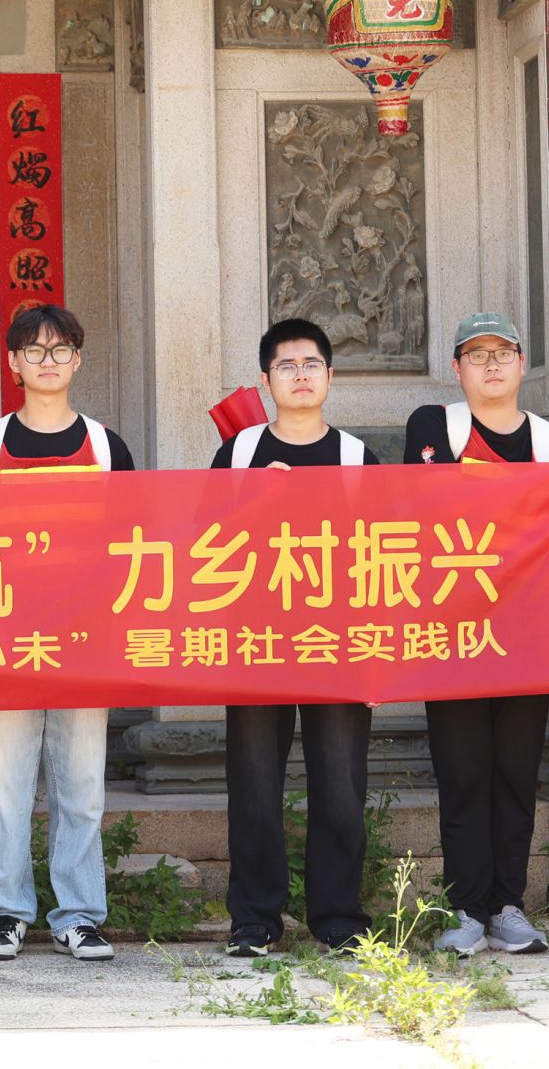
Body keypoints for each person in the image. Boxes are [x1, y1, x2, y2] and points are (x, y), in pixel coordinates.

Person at [404, 312, 549, 957]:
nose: (491, 365)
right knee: (462, 773)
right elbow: (428, 500)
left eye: (502, 353)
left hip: (525, 637)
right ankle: (466, 909)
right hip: (452, 634)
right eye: (476, 355)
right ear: (457, 368)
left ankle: (509, 906)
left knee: (515, 772)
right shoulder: (435, 425)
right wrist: (537, 482)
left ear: (520, 364)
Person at [0, 305, 134, 963]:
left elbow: (132, 542)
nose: (48, 360)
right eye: (34, 350)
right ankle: (4, 913)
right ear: (13, 362)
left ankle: (79, 915)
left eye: (61, 349)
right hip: (5, 639)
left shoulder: (107, 446)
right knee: (6, 785)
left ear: (78, 359)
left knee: (81, 785)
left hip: (85, 640)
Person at [213, 320, 378, 958]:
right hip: (256, 639)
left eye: (311, 364)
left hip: (338, 641)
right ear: (265, 380)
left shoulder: (358, 457)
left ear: (330, 376)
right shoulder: (240, 454)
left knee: (340, 782)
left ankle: (338, 917)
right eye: (287, 366)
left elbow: (388, 551)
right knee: (254, 781)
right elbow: (203, 543)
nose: (301, 375)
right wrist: (254, 501)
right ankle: (254, 919)